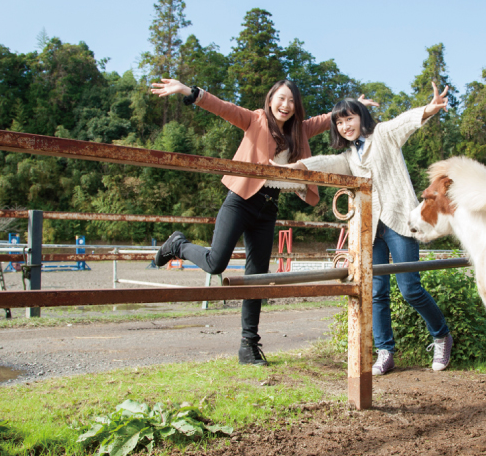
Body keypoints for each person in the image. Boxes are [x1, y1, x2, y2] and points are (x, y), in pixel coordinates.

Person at [150, 78, 376, 366]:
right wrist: (190, 92)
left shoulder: (299, 131)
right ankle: (178, 244)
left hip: (268, 208)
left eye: (292, 101)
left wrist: (356, 107)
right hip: (240, 199)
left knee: (256, 276)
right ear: (270, 100)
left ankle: (249, 345)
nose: (286, 105)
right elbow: (223, 107)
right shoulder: (255, 119)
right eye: (281, 99)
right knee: (216, 263)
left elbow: (325, 119)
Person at [276, 83, 453, 375]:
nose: (345, 125)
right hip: (371, 230)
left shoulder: (383, 135)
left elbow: (404, 123)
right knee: (377, 291)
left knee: (410, 289)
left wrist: (429, 109)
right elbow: (328, 163)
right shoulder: (348, 158)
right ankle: (385, 351)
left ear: (361, 117)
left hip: (398, 223)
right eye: (339, 122)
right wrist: (300, 166)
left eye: (350, 118)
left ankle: (442, 335)